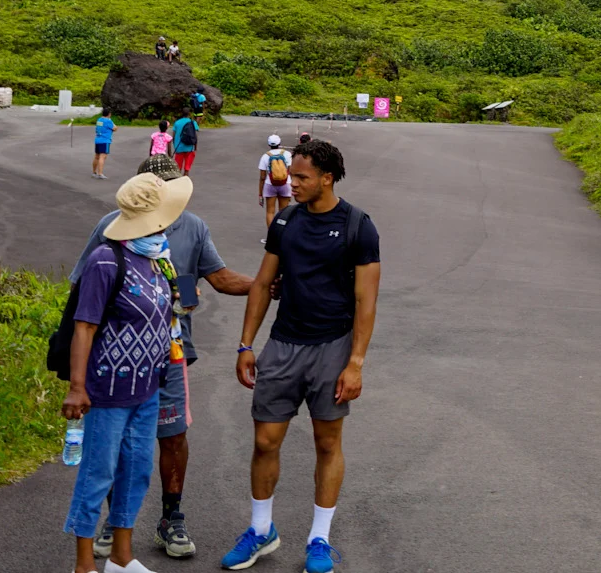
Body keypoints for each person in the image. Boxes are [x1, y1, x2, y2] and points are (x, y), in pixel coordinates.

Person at [73, 154, 256, 561]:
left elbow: (217, 280)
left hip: (167, 355)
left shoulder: (192, 226)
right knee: (112, 450)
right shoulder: (111, 230)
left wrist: (266, 284)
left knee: (166, 439)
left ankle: (170, 517)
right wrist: (77, 380)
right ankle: (109, 528)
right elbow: (82, 296)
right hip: (116, 363)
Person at [222, 139, 381, 573]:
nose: (289, 183)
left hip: (333, 347)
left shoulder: (358, 226)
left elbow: (367, 302)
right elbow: (261, 284)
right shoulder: (285, 222)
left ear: (327, 178)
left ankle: (319, 540)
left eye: (301, 177)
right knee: (264, 441)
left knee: (327, 443)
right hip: (283, 345)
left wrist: (356, 363)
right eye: (291, 175)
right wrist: (245, 344)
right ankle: (260, 530)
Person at [62, 173, 183, 573]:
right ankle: (84, 564)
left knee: (136, 472)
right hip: (108, 391)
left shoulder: (155, 259)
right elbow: (85, 326)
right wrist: (77, 387)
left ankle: (121, 557)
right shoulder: (105, 261)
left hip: (147, 388)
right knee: (98, 475)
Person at [258, 135, 290, 227]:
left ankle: (272, 237)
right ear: (279, 143)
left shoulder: (265, 156)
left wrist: (260, 194)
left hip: (270, 184)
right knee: (283, 212)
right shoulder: (287, 154)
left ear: (269, 144)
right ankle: (282, 235)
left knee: (270, 212)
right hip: (285, 184)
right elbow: (291, 172)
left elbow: (262, 177)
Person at [171, 107, 201, 175]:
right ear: (189, 114)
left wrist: (175, 145)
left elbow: (173, 136)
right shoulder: (193, 122)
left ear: (182, 113)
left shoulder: (177, 123)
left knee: (178, 168)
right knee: (187, 168)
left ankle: (178, 181)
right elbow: (195, 135)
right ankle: (186, 179)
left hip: (179, 147)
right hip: (190, 147)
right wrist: (195, 147)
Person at [92, 110, 117, 180]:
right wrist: (111, 121)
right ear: (109, 114)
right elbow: (115, 128)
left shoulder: (99, 120)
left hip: (98, 139)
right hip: (105, 140)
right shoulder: (108, 121)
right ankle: (100, 173)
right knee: (102, 157)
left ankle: (94, 172)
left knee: (97, 156)